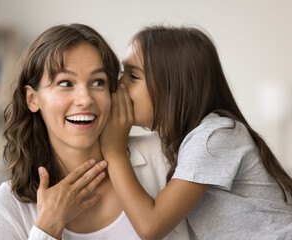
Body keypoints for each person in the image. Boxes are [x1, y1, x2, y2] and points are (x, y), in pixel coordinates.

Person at [0, 23, 190, 240]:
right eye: (65, 83)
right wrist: (46, 229)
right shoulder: (7, 206)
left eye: (98, 82)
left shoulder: (166, 158)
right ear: (32, 99)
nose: (85, 99)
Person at [101, 25, 292, 240]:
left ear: (174, 86)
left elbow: (150, 226)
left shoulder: (215, 136)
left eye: (133, 76)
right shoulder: (183, 142)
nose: (119, 86)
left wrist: (114, 150)